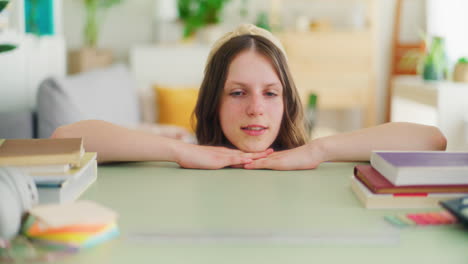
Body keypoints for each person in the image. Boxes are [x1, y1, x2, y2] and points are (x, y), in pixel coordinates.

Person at [52, 24, 447, 170]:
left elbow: (431, 140)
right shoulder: (188, 151)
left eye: (270, 93)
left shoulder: (312, 154)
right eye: (237, 92)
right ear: (214, 102)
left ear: (287, 102)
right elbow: (65, 138)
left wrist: (319, 150)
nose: (256, 108)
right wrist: (177, 151)